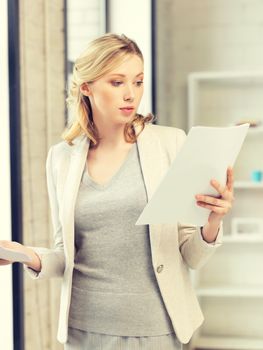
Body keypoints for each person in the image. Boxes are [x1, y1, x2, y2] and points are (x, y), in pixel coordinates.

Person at [0, 33, 234, 350]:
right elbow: (65, 255)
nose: (131, 95)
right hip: (82, 332)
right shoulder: (62, 158)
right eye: (117, 82)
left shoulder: (170, 144)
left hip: (154, 330)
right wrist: (26, 255)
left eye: (137, 82)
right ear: (87, 87)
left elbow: (190, 256)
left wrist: (213, 222)